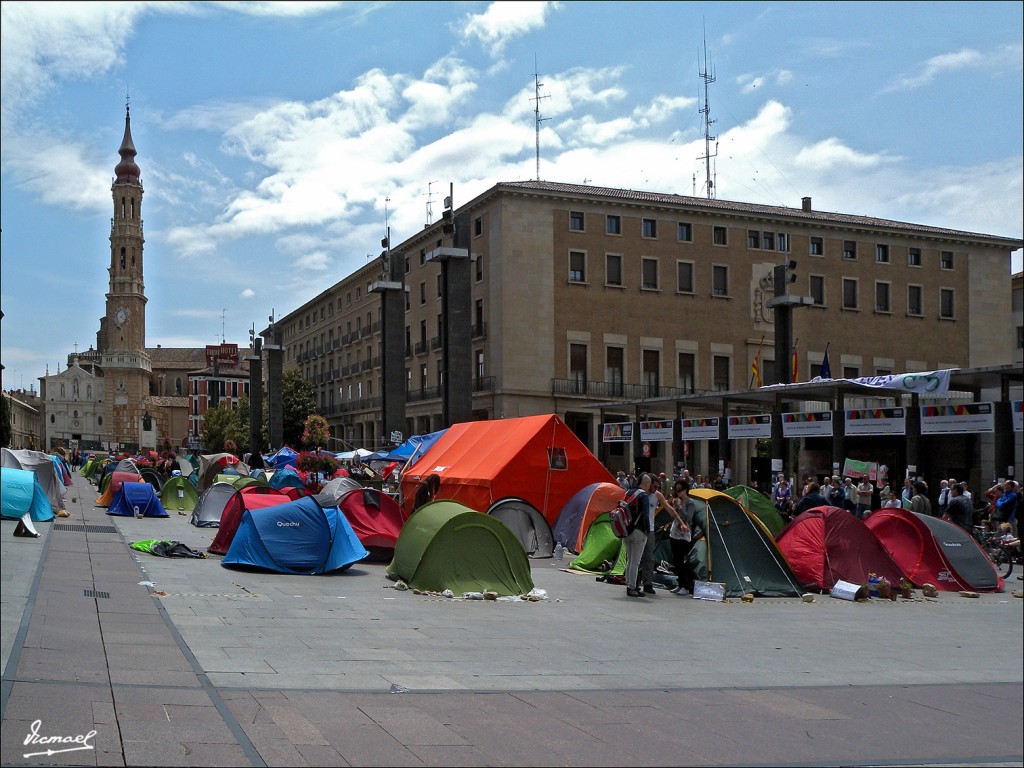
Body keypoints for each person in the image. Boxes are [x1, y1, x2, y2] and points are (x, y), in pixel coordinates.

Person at [641, 476, 673, 595]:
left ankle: (647, 583)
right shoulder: (641, 494)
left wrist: (678, 519)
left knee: (649, 557)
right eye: (654, 486)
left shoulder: (658, 495)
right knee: (637, 557)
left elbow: (668, 508)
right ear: (648, 484)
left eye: (658, 487)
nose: (656, 488)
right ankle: (633, 582)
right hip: (639, 529)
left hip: (651, 529)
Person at [624, 473, 653, 598]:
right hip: (639, 531)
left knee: (630, 560)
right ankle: (632, 587)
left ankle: (629, 584)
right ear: (646, 484)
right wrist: (647, 530)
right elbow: (646, 515)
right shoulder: (643, 496)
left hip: (626, 530)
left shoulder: (628, 492)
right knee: (636, 561)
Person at [668, 478, 697, 595]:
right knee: (676, 560)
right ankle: (680, 584)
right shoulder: (676, 501)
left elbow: (688, 518)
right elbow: (672, 517)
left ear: (685, 490)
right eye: (676, 490)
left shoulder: (690, 503)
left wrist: (680, 507)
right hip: (674, 533)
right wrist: (674, 507)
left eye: (680, 490)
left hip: (684, 536)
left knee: (682, 561)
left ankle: (686, 585)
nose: (678, 492)